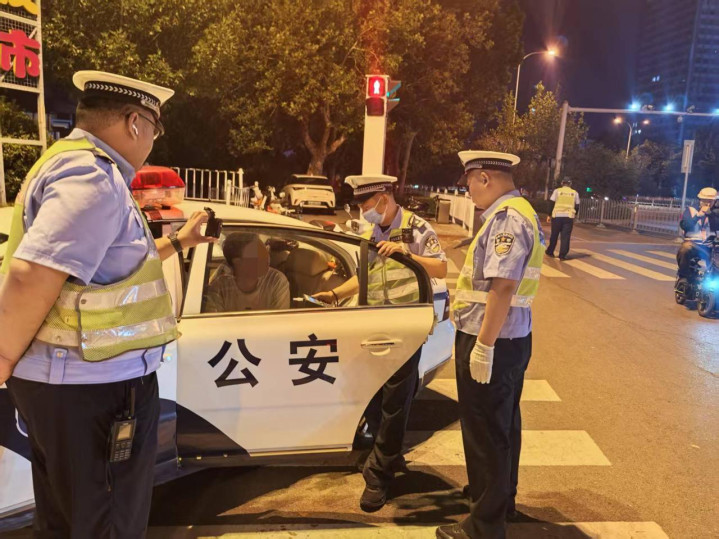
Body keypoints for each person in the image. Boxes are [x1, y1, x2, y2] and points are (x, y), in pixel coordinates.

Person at [0, 71, 216, 537]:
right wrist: (2, 360)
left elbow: (107, 270)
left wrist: (180, 242)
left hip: (75, 388)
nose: (153, 142)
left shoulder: (74, 165)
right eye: (155, 129)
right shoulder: (92, 176)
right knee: (108, 524)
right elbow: (32, 275)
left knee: (68, 522)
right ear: (135, 123)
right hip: (93, 392)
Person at [314, 174, 447, 512]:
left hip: (405, 329)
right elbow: (365, 277)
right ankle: (386, 454)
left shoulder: (416, 228)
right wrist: (334, 294)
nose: (364, 211)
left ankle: (379, 476)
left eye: (367, 204)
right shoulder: (371, 233)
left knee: (394, 403)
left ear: (385, 198)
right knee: (373, 398)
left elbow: (441, 268)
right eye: (361, 206)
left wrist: (408, 254)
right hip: (374, 328)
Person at [436, 151, 545, 539]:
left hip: (491, 338)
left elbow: (503, 286)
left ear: (484, 178)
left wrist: (483, 346)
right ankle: (499, 500)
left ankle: (483, 527)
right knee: (503, 426)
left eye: (469, 183)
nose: (467, 191)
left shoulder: (506, 218)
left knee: (484, 433)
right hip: (512, 337)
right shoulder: (523, 211)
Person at [204, 232, 290, 312]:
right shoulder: (221, 288)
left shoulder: (276, 280)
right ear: (237, 262)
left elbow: (279, 321)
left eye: (265, 250)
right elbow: (213, 321)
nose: (266, 257)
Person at [676, 187, 717, 280]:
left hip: (711, 246)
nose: (707, 203)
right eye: (705, 200)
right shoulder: (691, 210)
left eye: (710, 201)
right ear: (700, 200)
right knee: (685, 249)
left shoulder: (715, 213)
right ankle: (684, 277)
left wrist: (710, 215)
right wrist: (698, 216)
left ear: (714, 201)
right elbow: (685, 225)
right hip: (693, 244)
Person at [545, 177, 580, 260]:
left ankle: (550, 251)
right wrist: (575, 215)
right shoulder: (574, 193)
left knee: (554, 235)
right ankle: (562, 255)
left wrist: (549, 215)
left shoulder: (557, 191)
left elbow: (551, 203)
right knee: (565, 237)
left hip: (557, 216)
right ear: (570, 184)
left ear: (562, 183)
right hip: (568, 217)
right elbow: (577, 205)